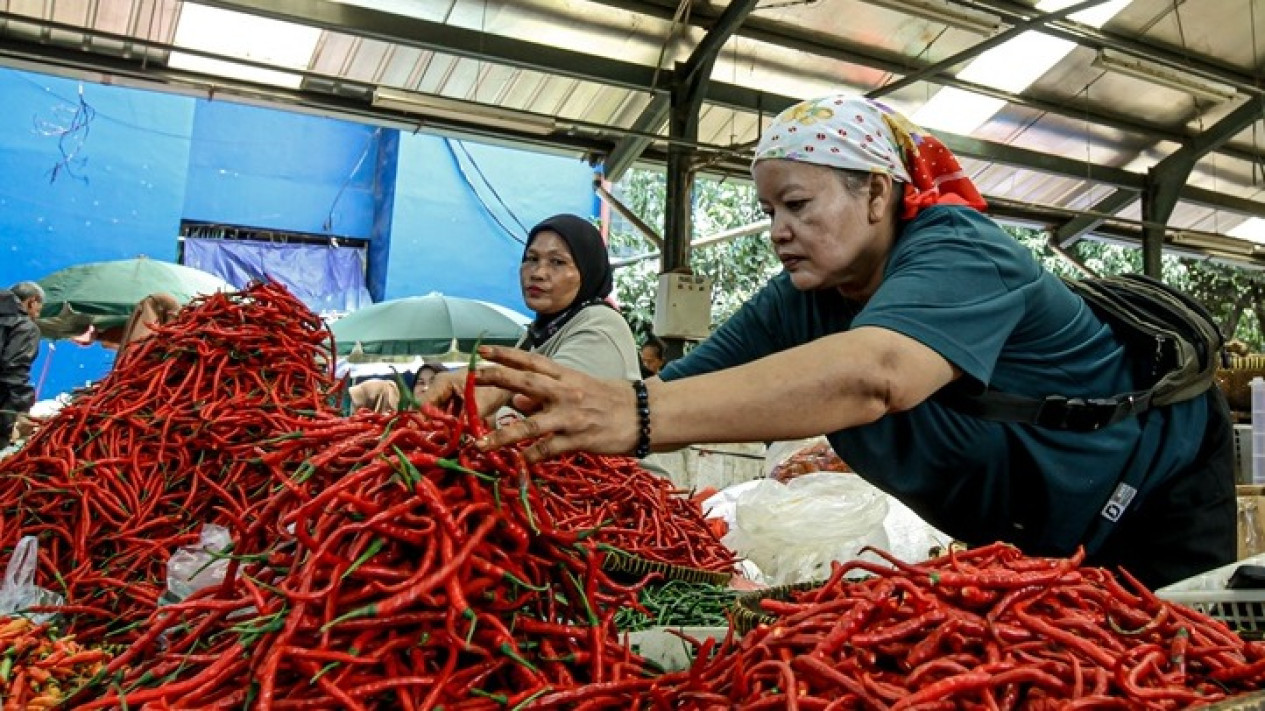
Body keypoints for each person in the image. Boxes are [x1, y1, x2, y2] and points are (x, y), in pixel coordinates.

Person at [460, 94, 1234, 590]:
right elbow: (678, 396)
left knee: (1183, 667)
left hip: (1152, 489)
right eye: (768, 211)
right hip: (1042, 533)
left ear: (875, 191)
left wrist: (627, 408)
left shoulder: (959, 248)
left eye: (796, 204)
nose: (776, 232)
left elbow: (877, 375)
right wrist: (529, 402)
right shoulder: (802, 298)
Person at [425, 213, 640, 420]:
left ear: (588, 271)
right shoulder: (538, 333)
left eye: (557, 262)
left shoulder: (600, 324)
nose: (537, 273)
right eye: (531, 258)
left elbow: (546, 400)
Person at [0, 282, 42, 448]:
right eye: (39, 309)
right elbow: (14, 369)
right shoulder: (25, 326)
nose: (37, 315)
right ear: (32, 301)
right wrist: (21, 410)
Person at [348, 363, 448, 414]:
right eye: (420, 383)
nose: (425, 388)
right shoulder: (402, 420)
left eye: (433, 382)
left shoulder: (452, 424)